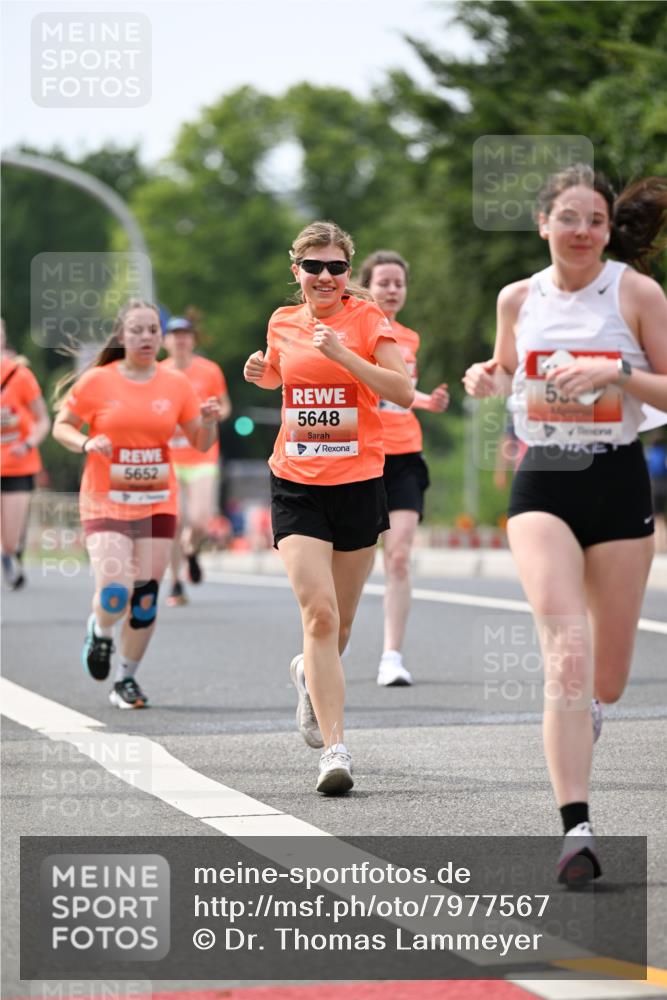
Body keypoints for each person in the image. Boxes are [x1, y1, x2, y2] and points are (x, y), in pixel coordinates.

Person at [463, 164, 667, 884]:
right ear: (542, 223)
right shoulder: (516, 297)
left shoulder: (636, 292)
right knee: (566, 651)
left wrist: (616, 374)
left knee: (604, 680)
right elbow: (504, 371)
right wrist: (485, 379)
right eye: (569, 217)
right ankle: (575, 828)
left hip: (615, 480)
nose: (582, 231)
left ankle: (589, 714)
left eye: (596, 221)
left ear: (608, 231)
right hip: (544, 474)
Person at [244, 221, 414, 794]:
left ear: (348, 273)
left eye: (335, 267)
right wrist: (262, 374)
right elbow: (281, 375)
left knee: (338, 625)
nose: (324, 276)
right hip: (295, 482)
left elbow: (402, 391)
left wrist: (344, 355)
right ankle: (335, 751)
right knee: (317, 614)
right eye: (313, 266)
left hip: (359, 482)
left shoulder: (367, 321)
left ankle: (306, 674)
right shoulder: (282, 320)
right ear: (296, 271)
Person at [53, 299, 222, 708]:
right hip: (105, 500)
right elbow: (62, 425)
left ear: (161, 337)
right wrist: (87, 442)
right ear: (122, 336)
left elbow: (200, 442)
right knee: (115, 591)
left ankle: (126, 679)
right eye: (137, 330)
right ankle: (102, 630)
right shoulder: (98, 381)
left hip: (157, 500)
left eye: (152, 330)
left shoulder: (176, 384)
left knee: (145, 596)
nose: (147, 337)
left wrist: (211, 419)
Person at [358, 251, 449, 686]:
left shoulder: (409, 338)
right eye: (384, 282)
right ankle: (325, 644)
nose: (393, 290)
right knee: (352, 560)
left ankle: (391, 655)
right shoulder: (353, 330)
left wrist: (428, 401)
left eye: (399, 283)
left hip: (406, 455)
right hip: (360, 455)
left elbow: (401, 390)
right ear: (367, 286)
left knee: (397, 557)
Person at [160, 314, 231, 606]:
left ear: (192, 340)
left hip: (202, 454)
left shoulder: (209, 371)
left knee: (200, 520)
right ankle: (176, 582)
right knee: (174, 521)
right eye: (175, 335)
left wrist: (214, 416)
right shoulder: (157, 372)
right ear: (165, 341)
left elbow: (225, 406)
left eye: (186, 335)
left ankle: (192, 551)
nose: (180, 340)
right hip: (169, 459)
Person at [1, 319, 51, 589]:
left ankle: (8, 554)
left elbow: (44, 420)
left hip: (16, 465)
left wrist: (29, 443)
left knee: (10, 539)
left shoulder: (20, 376)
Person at [645, 431, 667, 552]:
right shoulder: (664, 453)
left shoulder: (649, 454)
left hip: (654, 487)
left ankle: (658, 544)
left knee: (656, 516)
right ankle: (664, 543)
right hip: (665, 486)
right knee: (662, 515)